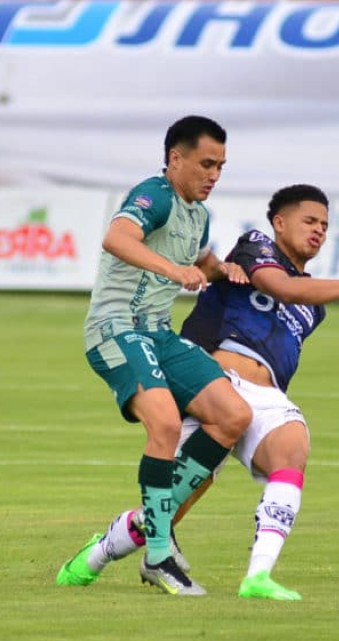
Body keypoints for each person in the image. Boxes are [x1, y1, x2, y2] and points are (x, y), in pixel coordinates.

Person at [58, 184, 339, 600]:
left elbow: (297, 305)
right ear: (280, 223)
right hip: (217, 386)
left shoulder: (315, 306)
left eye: (325, 226)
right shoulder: (256, 248)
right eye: (310, 221)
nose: (319, 231)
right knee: (166, 510)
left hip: (266, 397)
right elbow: (283, 287)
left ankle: (258, 577)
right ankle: (97, 554)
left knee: (292, 448)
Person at [56, 115, 254, 595]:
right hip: (115, 328)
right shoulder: (154, 195)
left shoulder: (198, 213)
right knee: (165, 424)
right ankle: (160, 552)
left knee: (233, 416)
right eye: (206, 163)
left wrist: (222, 268)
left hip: (158, 334)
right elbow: (116, 238)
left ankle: (144, 526)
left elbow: (203, 259)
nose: (214, 175)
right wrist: (174, 268)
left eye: (221, 167)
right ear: (174, 159)